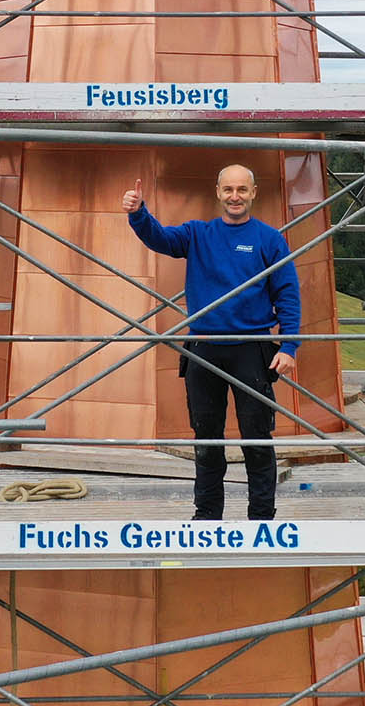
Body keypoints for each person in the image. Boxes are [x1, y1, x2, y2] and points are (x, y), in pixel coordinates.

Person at [123, 165, 299, 520]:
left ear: (253, 193)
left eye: (242, 190)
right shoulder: (197, 234)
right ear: (218, 192)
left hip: (252, 349)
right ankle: (207, 516)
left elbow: (288, 293)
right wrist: (139, 213)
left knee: (257, 437)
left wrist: (289, 346)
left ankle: (261, 517)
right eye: (229, 190)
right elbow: (161, 239)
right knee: (206, 439)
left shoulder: (270, 239)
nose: (235, 197)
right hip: (204, 348)